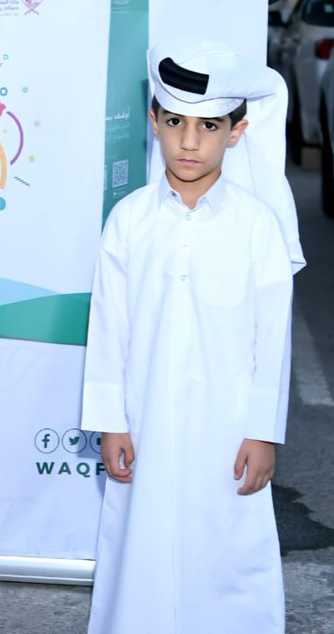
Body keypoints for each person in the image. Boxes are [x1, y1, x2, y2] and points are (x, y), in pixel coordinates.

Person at [81, 40, 302, 634]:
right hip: (144, 415)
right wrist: (110, 421)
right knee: (140, 545)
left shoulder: (257, 226)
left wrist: (262, 432)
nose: (188, 141)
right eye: (175, 122)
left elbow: (272, 340)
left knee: (228, 548)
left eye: (208, 126)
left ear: (236, 132)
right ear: (153, 121)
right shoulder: (129, 219)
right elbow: (109, 327)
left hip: (228, 426)